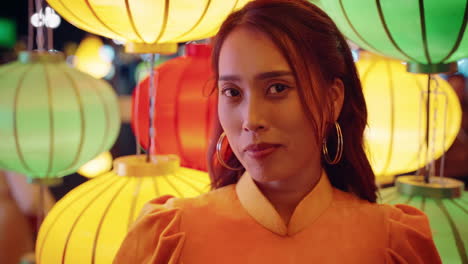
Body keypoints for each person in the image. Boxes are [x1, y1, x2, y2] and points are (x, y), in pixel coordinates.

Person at [114, 0, 441, 263]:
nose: (251, 119)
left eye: (277, 88)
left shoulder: (391, 243)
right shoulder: (169, 238)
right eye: (232, 92)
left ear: (333, 99)